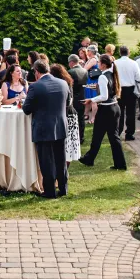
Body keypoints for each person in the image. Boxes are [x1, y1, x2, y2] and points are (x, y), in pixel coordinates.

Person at [22, 61, 70, 198]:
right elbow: (67, 102)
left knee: (47, 161)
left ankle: (49, 192)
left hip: (43, 128)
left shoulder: (35, 87)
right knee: (61, 159)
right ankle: (63, 188)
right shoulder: (63, 83)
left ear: (37, 71)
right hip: (60, 125)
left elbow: (26, 109)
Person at [79, 54, 127, 170]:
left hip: (106, 109)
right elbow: (109, 92)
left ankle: (89, 159)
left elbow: (104, 96)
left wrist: (91, 99)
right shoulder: (112, 74)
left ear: (104, 65)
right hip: (115, 108)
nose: (97, 65)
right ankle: (120, 164)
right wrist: (97, 88)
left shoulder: (103, 76)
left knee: (98, 135)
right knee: (113, 137)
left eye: (99, 63)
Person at [50, 64, 80, 165]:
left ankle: (63, 169)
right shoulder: (68, 83)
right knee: (69, 146)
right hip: (71, 114)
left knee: (66, 144)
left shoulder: (61, 85)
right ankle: (65, 168)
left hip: (66, 115)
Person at [114, 46, 140, 141]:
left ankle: (118, 131)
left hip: (119, 90)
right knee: (131, 112)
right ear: (129, 52)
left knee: (119, 112)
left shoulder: (115, 63)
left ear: (120, 52)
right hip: (131, 89)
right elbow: (139, 78)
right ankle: (129, 134)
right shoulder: (134, 63)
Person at [67, 55, 88, 144]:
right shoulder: (85, 70)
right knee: (81, 118)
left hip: (73, 98)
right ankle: (81, 137)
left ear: (71, 62)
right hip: (82, 96)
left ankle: (74, 137)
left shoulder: (70, 72)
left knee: (72, 118)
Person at [83, 45, 101, 123]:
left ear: (90, 51)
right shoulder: (92, 59)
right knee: (89, 99)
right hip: (90, 80)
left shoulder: (93, 59)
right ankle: (86, 114)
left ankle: (93, 118)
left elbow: (85, 69)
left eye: (88, 50)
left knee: (93, 100)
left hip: (93, 81)